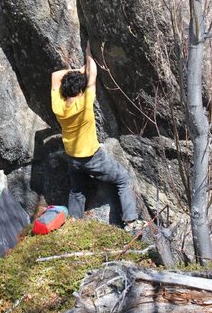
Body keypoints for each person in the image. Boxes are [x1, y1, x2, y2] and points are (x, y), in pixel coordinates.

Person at [51, 42, 144, 232]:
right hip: (92, 157)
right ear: (79, 91)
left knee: (77, 190)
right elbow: (92, 74)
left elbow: (55, 76)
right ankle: (131, 222)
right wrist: (88, 54)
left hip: (72, 157)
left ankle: (75, 225)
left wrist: (76, 72)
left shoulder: (58, 107)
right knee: (123, 179)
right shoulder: (84, 105)